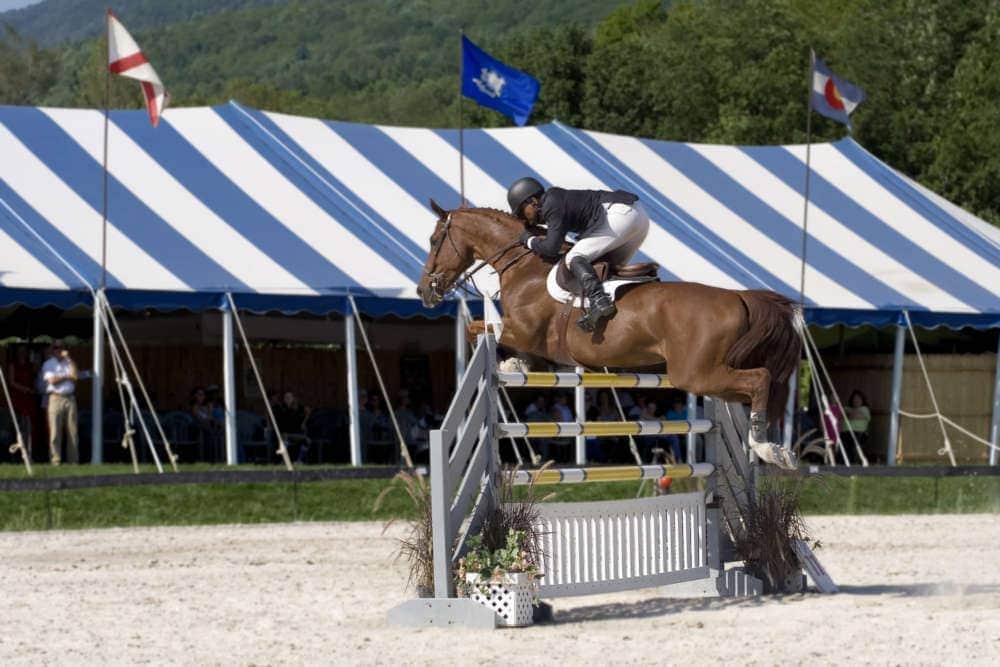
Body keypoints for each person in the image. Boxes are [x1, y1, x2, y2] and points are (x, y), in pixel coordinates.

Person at [507, 177, 650, 332]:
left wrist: (530, 241)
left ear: (533, 201)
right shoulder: (554, 200)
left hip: (621, 215)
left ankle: (599, 300)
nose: (525, 218)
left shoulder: (551, 203)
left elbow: (551, 248)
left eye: (523, 212)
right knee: (607, 270)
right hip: (638, 217)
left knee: (574, 258)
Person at [41, 341, 78, 465]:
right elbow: (52, 381)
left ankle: (73, 461)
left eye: (61, 348)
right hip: (55, 398)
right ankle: (56, 460)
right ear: (52, 350)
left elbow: (76, 375)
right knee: (55, 432)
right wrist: (67, 377)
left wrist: (69, 358)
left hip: (70, 398)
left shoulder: (69, 362)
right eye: (56, 348)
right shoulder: (48, 364)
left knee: (72, 431)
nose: (59, 350)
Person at [6, 346, 36, 457]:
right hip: (18, 398)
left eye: (24, 351)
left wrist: (31, 390)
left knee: (27, 426)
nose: (22, 353)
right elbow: (11, 382)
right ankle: (15, 452)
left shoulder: (29, 365)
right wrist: (24, 389)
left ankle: (28, 452)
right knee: (17, 425)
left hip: (28, 399)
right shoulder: (13, 365)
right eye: (20, 351)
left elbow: (33, 378)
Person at [842, 390, 872, 462]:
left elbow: (854, 416)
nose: (856, 400)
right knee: (843, 440)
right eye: (854, 398)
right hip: (845, 432)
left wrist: (849, 413)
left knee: (851, 440)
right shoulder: (847, 408)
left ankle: (852, 462)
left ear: (862, 400)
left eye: (858, 399)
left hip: (859, 433)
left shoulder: (864, 409)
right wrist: (849, 413)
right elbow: (840, 416)